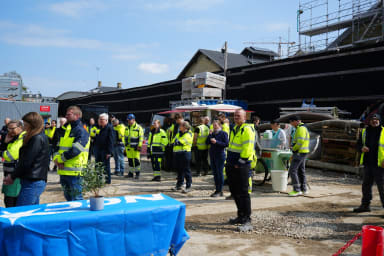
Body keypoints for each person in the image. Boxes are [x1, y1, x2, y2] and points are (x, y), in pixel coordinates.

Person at [4, 112, 49, 206]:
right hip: (33, 180)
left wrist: (12, 176)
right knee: (31, 212)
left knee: (22, 212)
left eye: (25, 124)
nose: (23, 127)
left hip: (33, 181)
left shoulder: (36, 138)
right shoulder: (37, 137)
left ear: (31, 125)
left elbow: (26, 161)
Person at [226, 109, 255, 232]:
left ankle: (247, 220)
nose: (236, 117)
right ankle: (240, 216)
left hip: (241, 165)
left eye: (238, 116)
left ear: (244, 117)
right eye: (235, 116)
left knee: (243, 192)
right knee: (235, 191)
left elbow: (248, 147)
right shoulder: (235, 128)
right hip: (232, 164)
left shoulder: (247, 129)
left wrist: (241, 162)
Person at [53, 106, 90, 201]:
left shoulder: (81, 131)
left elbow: (76, 150)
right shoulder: (67, 130)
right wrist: (56, 159)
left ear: (77, 116)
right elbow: (58, 147)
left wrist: (60, 159)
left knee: (76, 199)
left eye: (68, 114)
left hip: (75, 172)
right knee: (68, 198)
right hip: (64, 170)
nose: (66, 116)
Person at [353, 114, 384, 212]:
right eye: (372, 119)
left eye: (376, 119)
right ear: (369, 121)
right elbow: (358, 144)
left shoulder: (383, 132)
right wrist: (361, 148)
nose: (374, 121)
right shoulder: (365, 132)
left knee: (382, 188)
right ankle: (365, 206)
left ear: (379, 120)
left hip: (380, 165)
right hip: (368, 164)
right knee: (366, 186)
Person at [0, 120, 25, 207]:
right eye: (8, 129)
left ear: (20, 127)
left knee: (11, 201)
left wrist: (3, 150)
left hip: (15, 175)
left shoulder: (22, 138)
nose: (10, 131)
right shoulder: (14, 138)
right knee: (8, 199)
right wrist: (5, 143)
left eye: (12, 128)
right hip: (9, 173)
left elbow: (9, 155)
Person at [288, 115, 310, 197]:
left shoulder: (301, 129)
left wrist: (294, 148)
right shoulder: (302, 128)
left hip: (299, 152)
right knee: (301, 171)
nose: (291, 124)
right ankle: (304, 189)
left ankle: (296, 190)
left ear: (296, 121)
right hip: (303, 152)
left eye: (291, 122)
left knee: (292, 170)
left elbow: (300, 142)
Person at [207, 120, 229, 197]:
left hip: (220, 155)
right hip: (212, 155)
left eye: (215, 125)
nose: (214, 127)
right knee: (215, 173)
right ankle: (217, 190)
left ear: (220, 126)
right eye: (213, 125)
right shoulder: (212, 133)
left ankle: (220, 190)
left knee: (219, 173)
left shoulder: (223, 133)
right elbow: (207, 142)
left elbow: (226, 144)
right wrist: (209, 135)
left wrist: (216, 142)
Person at [171, 121, 193, 193]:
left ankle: (188, 186)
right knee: (179, 170)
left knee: (186, 170)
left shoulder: (188, 134)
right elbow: (172, 142)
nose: (179, 127)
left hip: (185, 154)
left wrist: (176, 142)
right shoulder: (178, 133)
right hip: (178, 154)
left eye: (181, 126)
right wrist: (176, 142)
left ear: (185, 127)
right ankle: (179, 185)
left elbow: (179, 142)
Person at [94, 113, 114, 184]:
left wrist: (109, 152)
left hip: (105, 151)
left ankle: (107, 180)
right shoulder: (99, 128)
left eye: (102, 119)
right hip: (98, 150)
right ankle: (98, 179)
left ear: (106, 120)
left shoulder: (109, 128)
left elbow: (111, 141)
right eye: (99, 119)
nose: (100, 121)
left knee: (106, 166)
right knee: (98, 165)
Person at [124, 114, 144, 179]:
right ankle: (131, 173)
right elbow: (125, 138)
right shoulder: (127, 128)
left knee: (136, 161)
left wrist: (139, 146)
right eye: (128, 120)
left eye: (129, 120)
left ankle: (137, 174)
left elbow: (141, 138)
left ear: (133, 120)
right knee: (130, 161)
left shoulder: (138, 128)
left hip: (136, 148)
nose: (128, 121)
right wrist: (125, 147)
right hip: (129, 148)